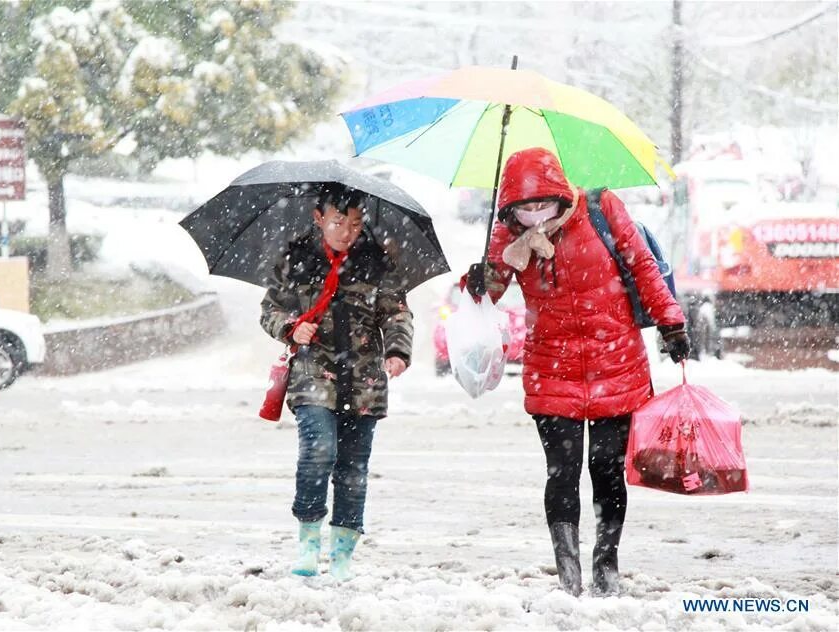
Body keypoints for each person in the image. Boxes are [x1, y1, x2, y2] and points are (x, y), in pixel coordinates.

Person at [463, 147, 691, 597]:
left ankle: (606, 562)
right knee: (561, 472)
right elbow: (490, 290)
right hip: (551, 368)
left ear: (561, 196)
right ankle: (568, 571)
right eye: (524, 209)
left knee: (606, 467)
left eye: (542, 205)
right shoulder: (507, 233)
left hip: (616, 362)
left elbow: (643, 267)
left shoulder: (601, 207)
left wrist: (672, 323)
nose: (534, 216)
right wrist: (479, 278)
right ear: (510, 206)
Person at [260, 185, 413, 580]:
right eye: (338, 223)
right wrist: (291, 329)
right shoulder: (295, 259)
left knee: (352, 468)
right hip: (313, 371)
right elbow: (270, 309)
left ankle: (342, 554)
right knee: (318, 450)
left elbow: (396, 312)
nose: (348, 232)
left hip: (364, 378)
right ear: (318, 218)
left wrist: (397, 352)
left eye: (357, 224)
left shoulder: (378, 263)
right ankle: (308, 541)